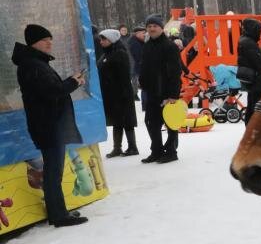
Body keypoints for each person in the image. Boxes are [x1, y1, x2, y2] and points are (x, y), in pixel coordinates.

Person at [11, 25, 88, 227]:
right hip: (48, 126)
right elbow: (52, 92)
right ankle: (58, 215)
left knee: (54, 170)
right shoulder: (32, 65)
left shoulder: (35, 62)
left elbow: (49, 89)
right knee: (54, 172)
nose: (49, 42)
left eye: (50, 39)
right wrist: (73, 82)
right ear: (33, 42)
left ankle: (58, 211)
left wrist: (71, 81)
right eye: (45, 39)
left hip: (49, 124)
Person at [139, 14, 182, 164]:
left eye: (154, 26)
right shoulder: (147, 46)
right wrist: (142, 83)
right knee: (151, 121)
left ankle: (171, 151)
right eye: (149, 26)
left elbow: (176, 72)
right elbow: (144, 67)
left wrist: (173, 94)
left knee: (170, 122)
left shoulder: (169, 46)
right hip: (151, 92)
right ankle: (156, 150)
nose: (152, 29)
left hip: (167, 92)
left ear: (161, 28)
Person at [96, 29, 138, 158]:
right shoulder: (107, 53)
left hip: (121, 93)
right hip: (111, 93)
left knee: (126, 120)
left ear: (112, 40)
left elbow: (123, 75)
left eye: (104, 39)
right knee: (117, 120)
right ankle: (117, 148)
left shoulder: (119, 53)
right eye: (101, 39)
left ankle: (132, 147)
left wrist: (123, 93)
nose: (101, 42)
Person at [237, 18, 261, 122]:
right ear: (254, 30)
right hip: (257, 79)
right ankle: (254, 125)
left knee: (252, 104)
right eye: (259, 29)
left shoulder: (245, 40)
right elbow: (258, 62)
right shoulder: (249, 43)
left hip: (253, 79)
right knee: (256, 104)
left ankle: (250, 125)